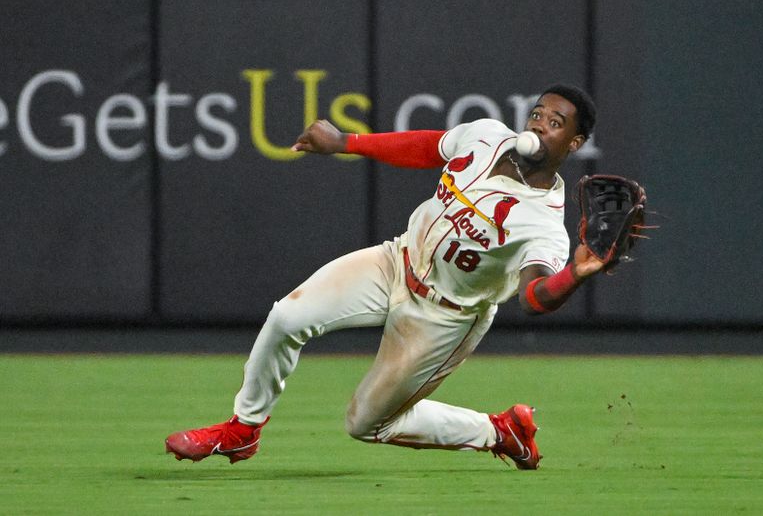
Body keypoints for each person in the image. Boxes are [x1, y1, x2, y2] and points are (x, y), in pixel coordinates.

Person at [165, 84, 603, 470]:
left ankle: (499, 432)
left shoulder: (542, 221)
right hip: (395, 260)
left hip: (442, 318)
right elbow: (429, 146)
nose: (541, 124)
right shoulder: (487, 135)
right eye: (538, 114)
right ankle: (244, 428)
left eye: (556, 122)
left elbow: (532, 297)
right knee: (286, 318)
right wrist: (345, 141)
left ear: (574, 142)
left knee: (366, 425)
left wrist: (576, 275)